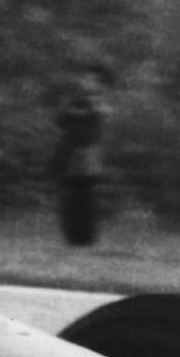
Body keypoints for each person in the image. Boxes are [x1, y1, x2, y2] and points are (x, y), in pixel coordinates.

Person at [48, 65, 112, 247]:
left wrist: (78, 112)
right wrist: (73, 111)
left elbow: (98, 116)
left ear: (99, 84)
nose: (85, 83)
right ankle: (72, 237)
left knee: (86, 196)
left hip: (88, 153)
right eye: (85, 79)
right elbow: (59, 121)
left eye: (91, 80)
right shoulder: (74, 100)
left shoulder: (100, 102)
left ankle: (86, 238)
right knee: (68, 195)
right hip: (68, 151)